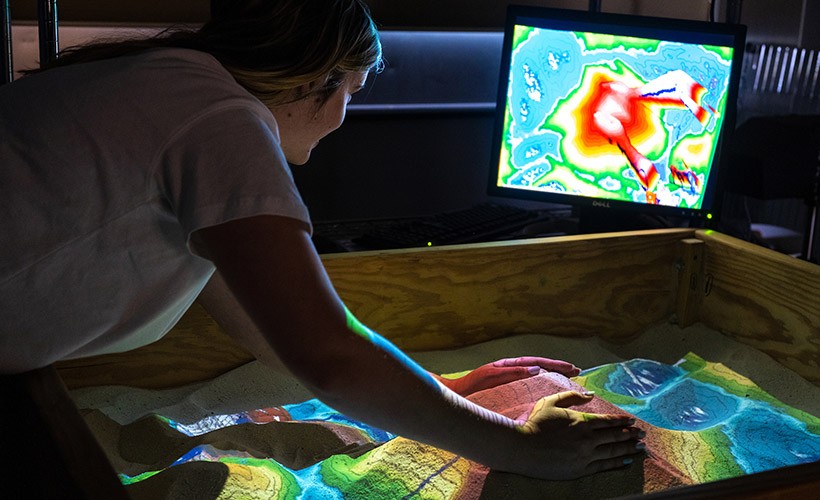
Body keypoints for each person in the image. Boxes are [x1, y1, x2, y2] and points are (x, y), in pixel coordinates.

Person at [0, 0, 643, 482]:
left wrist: (446, 385)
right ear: (320, 76)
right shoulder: (222, 119)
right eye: (353, 93)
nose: (344, 117)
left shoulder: (164, 83)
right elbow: (326, 353)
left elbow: (267, 324)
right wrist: (525, 449)